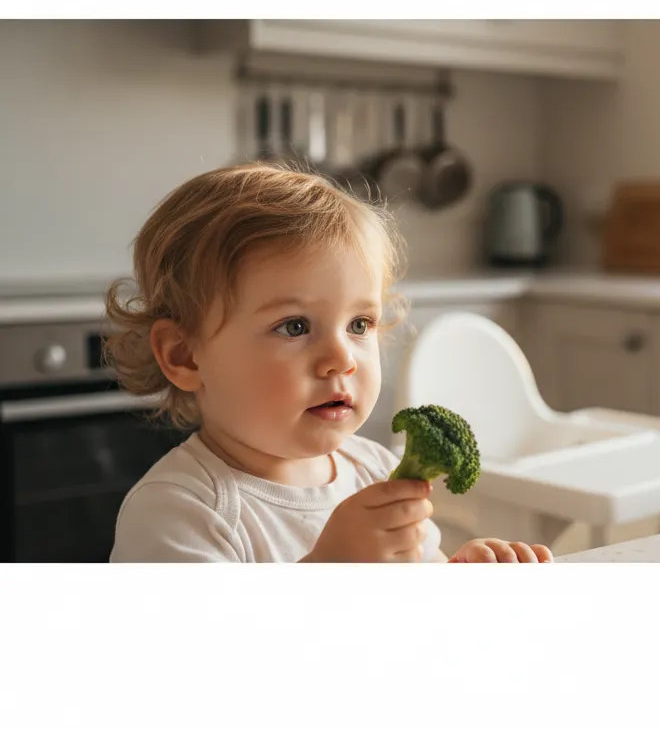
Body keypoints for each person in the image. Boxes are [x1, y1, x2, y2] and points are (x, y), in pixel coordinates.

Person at [106, 160, 553, 564]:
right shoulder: (179, 511)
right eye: (295, 327)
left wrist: (460, 568)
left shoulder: (375, 469)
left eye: (359, 325)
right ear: (184, 355)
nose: (342, 358)